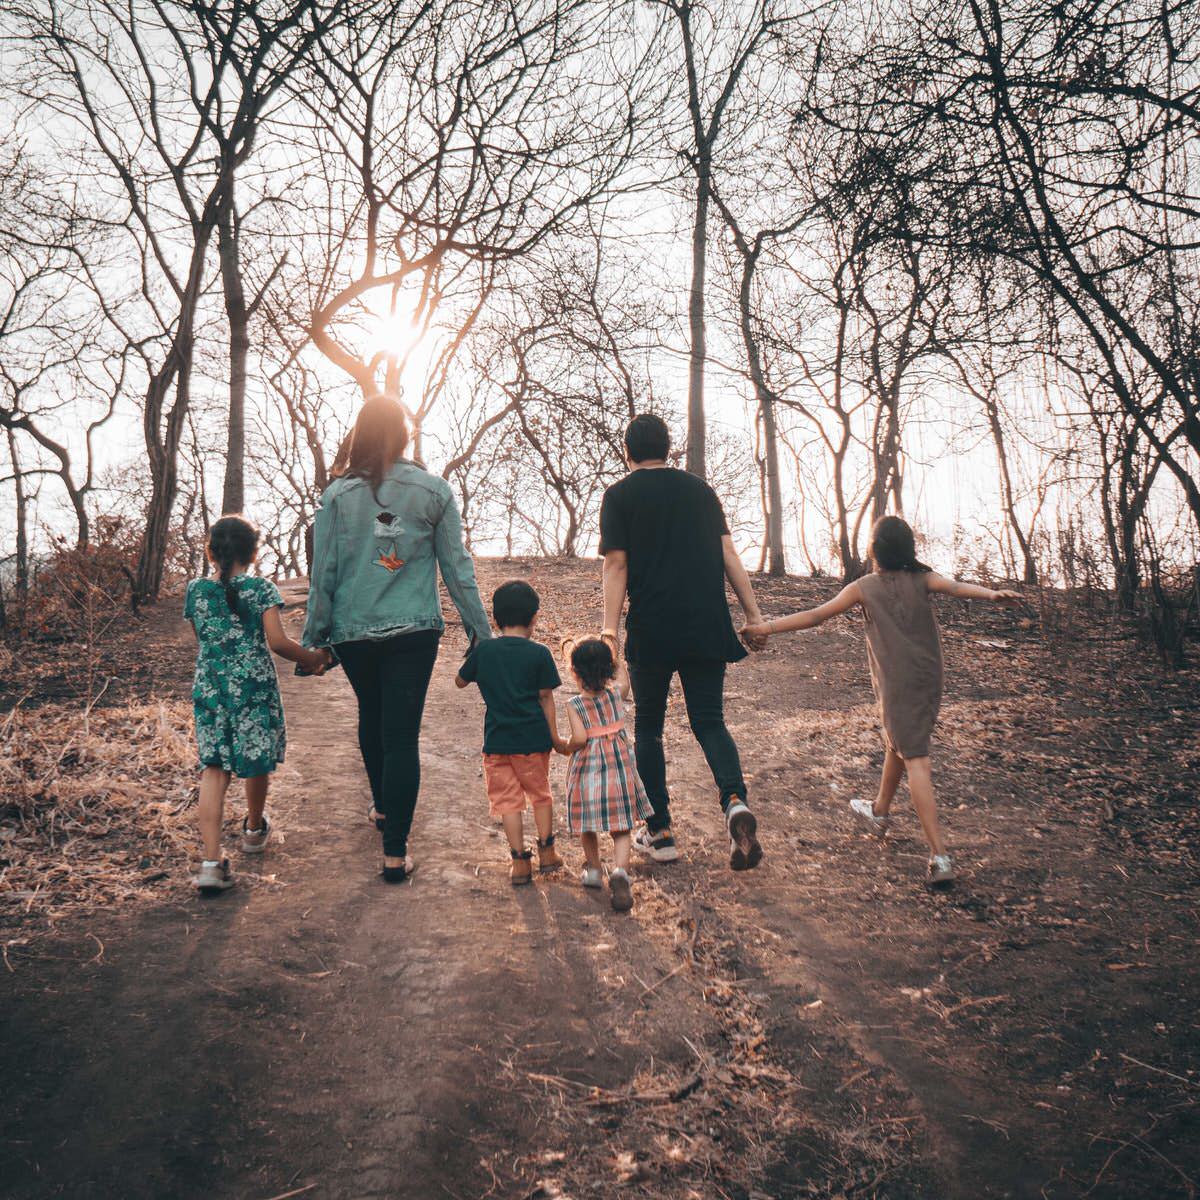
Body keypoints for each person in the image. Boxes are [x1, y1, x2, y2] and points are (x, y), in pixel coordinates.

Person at [743, 515, 1022, 887]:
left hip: (898, 684)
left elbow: (817, 616)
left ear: (874, 551)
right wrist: (991, 593)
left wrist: (767, 627)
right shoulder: (922, 578)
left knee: (916, 758)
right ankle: (879, 812)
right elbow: (954, 587)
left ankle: (939, 856)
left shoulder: (864, 586)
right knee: (901, 742)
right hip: (929, 678)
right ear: (909, 549)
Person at [303, 395, 492, 884]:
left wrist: (316, 638)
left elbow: (323, 570)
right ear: (405, 436)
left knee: (372, 715)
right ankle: (394, 851)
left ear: (360, 435)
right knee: (401, 733)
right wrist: (479, 631)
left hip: (354, 630)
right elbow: (458, 569)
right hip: (413, 630)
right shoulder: (433, 491)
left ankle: (385, 809)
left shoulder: (337, 496)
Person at [599, 413, 766, 871]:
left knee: (649, 728)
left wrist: (610, 631)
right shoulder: (701, 491)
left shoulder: (618, 496)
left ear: (627, 452)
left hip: (653, 628)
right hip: (706, 623)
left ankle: (661, 833)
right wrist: (752, 615)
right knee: (710, 721)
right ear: (669, 450)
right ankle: (734, 800)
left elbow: (616, 566)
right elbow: (729, 554)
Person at [186, 515, 328, 894]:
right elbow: (278, 643)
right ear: (253, 551)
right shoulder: (261, 589)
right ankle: (253, 829)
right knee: (256, 757)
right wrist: (313, 658)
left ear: (212, 550)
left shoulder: (196, 590)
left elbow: (203, 636)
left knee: (214, 767)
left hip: (211, 685)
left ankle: (211, 863)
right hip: (252, 686)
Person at [455, 580, 565, 885]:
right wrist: (555, 736)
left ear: (495, 619)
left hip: (497, 743)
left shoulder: (486, 651)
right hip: (533, 741)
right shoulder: (540, 653)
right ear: (533, 619)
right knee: (540, 795)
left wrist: (478, 660)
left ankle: (519, 863)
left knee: (508, 802)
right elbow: (546, 696)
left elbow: (459, 681)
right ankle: (547, 853)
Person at [556, 637, 651, 913]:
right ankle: (620, 871)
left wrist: (564, 746)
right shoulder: (615, 694)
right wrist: (617, 657)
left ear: (574, 673)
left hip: (588, 772)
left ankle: (595, 871)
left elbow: (579, 738)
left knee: (588, 823)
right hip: (618, 771)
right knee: (621, 827)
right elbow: (625, 681)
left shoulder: (575, 705)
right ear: (609, 670)